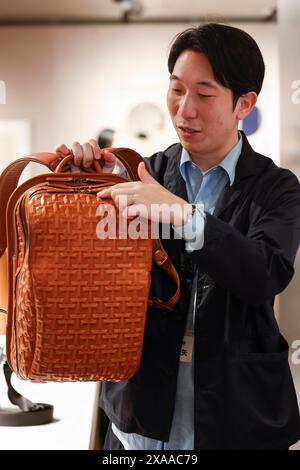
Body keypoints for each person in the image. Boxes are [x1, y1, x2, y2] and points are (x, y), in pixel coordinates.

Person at [56, 23, 300, 450]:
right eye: (176, 90)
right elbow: (92, 278)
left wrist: (184, 216)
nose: (184, 110)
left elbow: (264, 273)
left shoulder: (277, 187)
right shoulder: (140, 174)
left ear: (245, 103)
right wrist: (82, 189)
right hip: (141, 413)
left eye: (204, 95)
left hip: (235, 412)